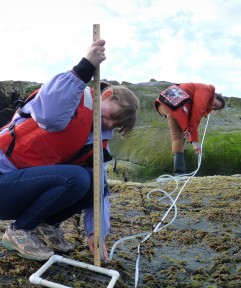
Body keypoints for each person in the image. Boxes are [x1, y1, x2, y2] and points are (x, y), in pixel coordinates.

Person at [0, 39, 140, 261]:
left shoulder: (97, 140)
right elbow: (50, 117)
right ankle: (19, 231)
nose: (111, 124)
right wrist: (84, 67)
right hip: (4, 182)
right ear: (106, 96)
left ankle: (46, 225)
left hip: (21, 190)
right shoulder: (73, 97)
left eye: (118, 124)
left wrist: (98, 232)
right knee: (76, 178)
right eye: (113, 115)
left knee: (94, 182)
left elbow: (100, 190)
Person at [155, 83, 225, 175]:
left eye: (215, 108)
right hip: (173, 106)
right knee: (177, 138)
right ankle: (179, 173)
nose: (212, 106)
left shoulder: (202, 90)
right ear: (215, 96)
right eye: (215, 104)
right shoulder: (207, 91)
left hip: (163, 104)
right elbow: (197, 112)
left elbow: (192, 114)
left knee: (180, 137)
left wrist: (192, 138)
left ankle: (179, 172)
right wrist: (194, 140)